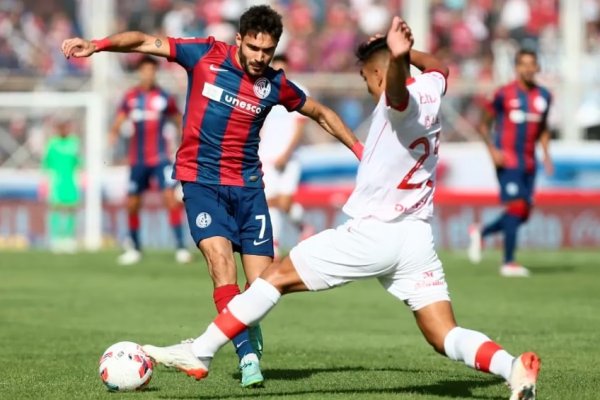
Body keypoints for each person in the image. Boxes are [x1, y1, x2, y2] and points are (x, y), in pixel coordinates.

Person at [140, 18, 541, 400]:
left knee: (275, 276)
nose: (367, 86)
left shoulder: (398, 105)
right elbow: (441, 67)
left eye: (367, 78)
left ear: (381, 76)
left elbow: (396, 91)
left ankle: (202, 351)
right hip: (416, 239)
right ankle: (512, 368)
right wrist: (407, 52)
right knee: (444, 335)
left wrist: (399, 57)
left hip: (375, 233)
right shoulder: (431, 91)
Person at [61, 4, 362, 388]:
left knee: (263, 287)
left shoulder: (275, 84)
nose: (259, 57)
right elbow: (143, 41)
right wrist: (97, 44)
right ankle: (247, 355)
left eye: (267, 51)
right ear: (239, 39)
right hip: (201, 183)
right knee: (221, 264)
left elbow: (319, 112)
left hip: (249, 190)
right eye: (253, 48)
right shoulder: (204, 54)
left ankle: (245, 328)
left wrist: (359, 151)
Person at [468, 49, 553, 278]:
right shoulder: (503, 94)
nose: (527, 68)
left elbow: (543, 128)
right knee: (516, 207)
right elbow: (484, 125)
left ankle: (481, 231)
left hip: (528, 160)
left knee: (524, 213)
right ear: (516, 68)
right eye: (523, 64)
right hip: (507, 159)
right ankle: (508, 262)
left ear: (537, 67)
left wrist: (546, 154)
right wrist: (492, 151)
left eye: (531, 64)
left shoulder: (544, 96)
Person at [109, 55, 192, 266]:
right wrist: (113, 135)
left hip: (161, 158)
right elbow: (118, 121)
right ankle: (135, 248)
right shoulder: (130, 97)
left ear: (155, 72)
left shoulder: (164, 97)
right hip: (138, 160)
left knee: (170, 199)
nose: (148, 74)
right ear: (139, 72)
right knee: (132, 203)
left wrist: (187, 142)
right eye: (144, 70)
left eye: (151, 70)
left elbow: (178, 120)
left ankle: (181, 247)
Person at [258, 54, 310, 258]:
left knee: (285, 203)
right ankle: (275, 247)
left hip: (289, 158)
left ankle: (304, 227)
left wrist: (286, 155)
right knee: (271, 201)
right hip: (266, 156)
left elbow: (299, 127)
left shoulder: (299, 91)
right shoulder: (263, 91)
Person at [42, 118, 81, 253]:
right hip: (56, 181)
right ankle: (56, 239)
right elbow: (46, 164)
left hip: (71, 180)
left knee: (71, 209)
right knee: (55, 209)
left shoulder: (74, 142)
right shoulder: (52, 144)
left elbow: (79, 162)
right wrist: (45, 182)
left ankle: (69, 239)